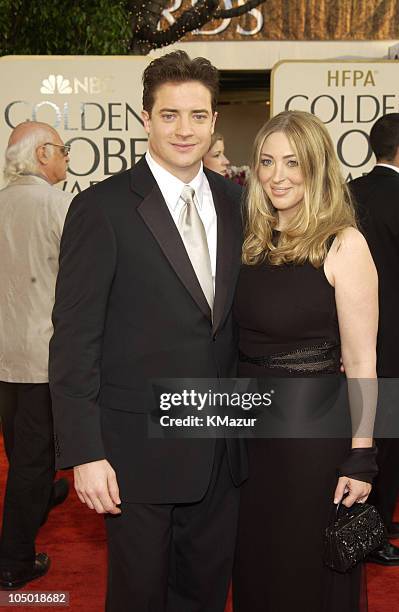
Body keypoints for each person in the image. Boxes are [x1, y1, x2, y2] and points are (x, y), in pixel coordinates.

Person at [49, 51, 247, 612]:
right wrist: (85, 451)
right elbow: (73, 340)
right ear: (145, 119)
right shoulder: (102, 208)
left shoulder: (238, 203)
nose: (185, 130)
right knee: (138, 598)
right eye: (169, 115)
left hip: (221, 452)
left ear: (214, 121)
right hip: (134, 455)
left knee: (206, 596)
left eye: (198, 115)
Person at [233, 110, 378, 612]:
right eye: (267, 162)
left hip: (310, 441)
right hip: (246, 436)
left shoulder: (344, 243)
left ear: (317, 167)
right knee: (253, 563)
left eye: (292, 162)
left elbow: (362, 360)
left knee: (301, 570)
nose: (277, 175)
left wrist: (362, 455)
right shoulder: (250, 242)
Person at [0, 121, 72, 590]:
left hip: (3, 356)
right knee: (32, 461)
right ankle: (14, 563)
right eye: (63, 150)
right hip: (39, 358)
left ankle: (43, 493)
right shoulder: (58, 205)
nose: (67, 157)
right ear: (43, 153)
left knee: (19, 451)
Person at [350, 113, 399, 566]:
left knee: (367, 434)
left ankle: (373, 521)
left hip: (353, 335)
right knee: (389, 439)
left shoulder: (351, 192)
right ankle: (374, 532)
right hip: (394, 341)